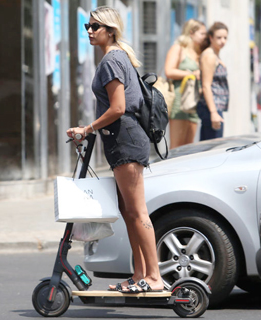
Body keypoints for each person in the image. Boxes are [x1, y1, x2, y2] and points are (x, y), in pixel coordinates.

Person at [67, 6, 164, 293]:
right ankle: (139, 275)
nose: (89, 31)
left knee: (137, 211)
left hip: (126, 139)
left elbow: (119, 107)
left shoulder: (111, 60)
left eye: (95, 26)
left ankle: (154, 277)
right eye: (87, 26)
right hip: (122, 138)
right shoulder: (119, 57)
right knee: (128, 210)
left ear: (110, 30)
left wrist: (87, 128)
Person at [164, 19, 206, 149]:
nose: (205, 37)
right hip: (180, 99)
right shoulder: (179, 48)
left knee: (189, 147)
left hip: (194, 101)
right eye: (202, 33)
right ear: (191, 33)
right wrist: (191, 74)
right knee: (177, 147)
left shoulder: (200, 52)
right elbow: (169, 71)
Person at [198, 22, 229, 140]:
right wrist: (213, 112)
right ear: (211, 38)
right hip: (211, 107)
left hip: (216, 107)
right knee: (211, 149)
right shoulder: (209, 56)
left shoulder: (215, 55)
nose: (223, 41)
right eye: (219, 37)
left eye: (225, 38)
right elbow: (206, 85)